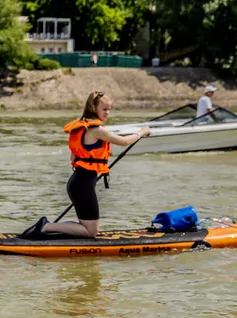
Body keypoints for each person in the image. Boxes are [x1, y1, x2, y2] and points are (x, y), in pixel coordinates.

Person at [25, 90, 150, 239]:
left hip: (79, 182)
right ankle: (46, 226)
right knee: (91, 231)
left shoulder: (83, 128)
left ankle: (49, 227)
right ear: (93, 108)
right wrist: (142, 132)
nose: (108, 112)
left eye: (109, 109)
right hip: (82, 184)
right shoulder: (96, 130)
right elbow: (123, 142)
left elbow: (75, 155)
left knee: (88, 227)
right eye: (104, 109)